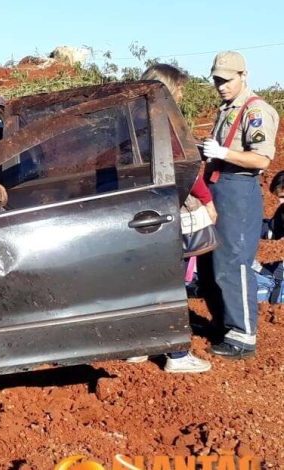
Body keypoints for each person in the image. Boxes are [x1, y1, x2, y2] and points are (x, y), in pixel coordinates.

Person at [126, 63, 213, 373]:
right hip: (164, 207)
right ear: (163, 88)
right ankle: (176, 354)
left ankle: (139, 345)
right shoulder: (165, 123)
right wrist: (206, 199)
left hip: (134, 209)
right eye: (177, 89)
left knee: (142, 279)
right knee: (170, 281)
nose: (180, 94)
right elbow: (185, 166)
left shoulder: (129, 120)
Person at [202, 51, 280, 359]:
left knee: (235, 262)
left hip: (239, 189)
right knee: (215, 262)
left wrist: (222, 153)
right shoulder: (227, 109)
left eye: (226, 80)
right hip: (220, 187)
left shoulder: (256, 110)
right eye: (217, 80)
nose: (220, 86)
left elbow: (261, 159)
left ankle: (243, 335)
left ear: (243, 76)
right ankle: (225, 324)